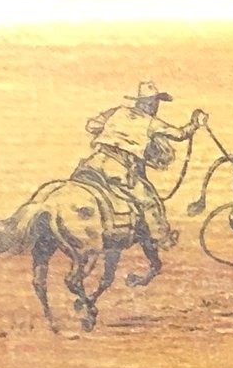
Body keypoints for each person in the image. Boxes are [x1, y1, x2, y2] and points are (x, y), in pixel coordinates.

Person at [75, 81, 207, 248]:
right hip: (117, 169)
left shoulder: (117, 111)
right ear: (149, 103)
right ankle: (162, 237)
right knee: (149, 200)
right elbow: (180, 134)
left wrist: (113, 131)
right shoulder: (152, 122)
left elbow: (91, 125)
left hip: (93, 163)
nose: (156, 106)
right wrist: (195, 124)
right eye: (155, 102)